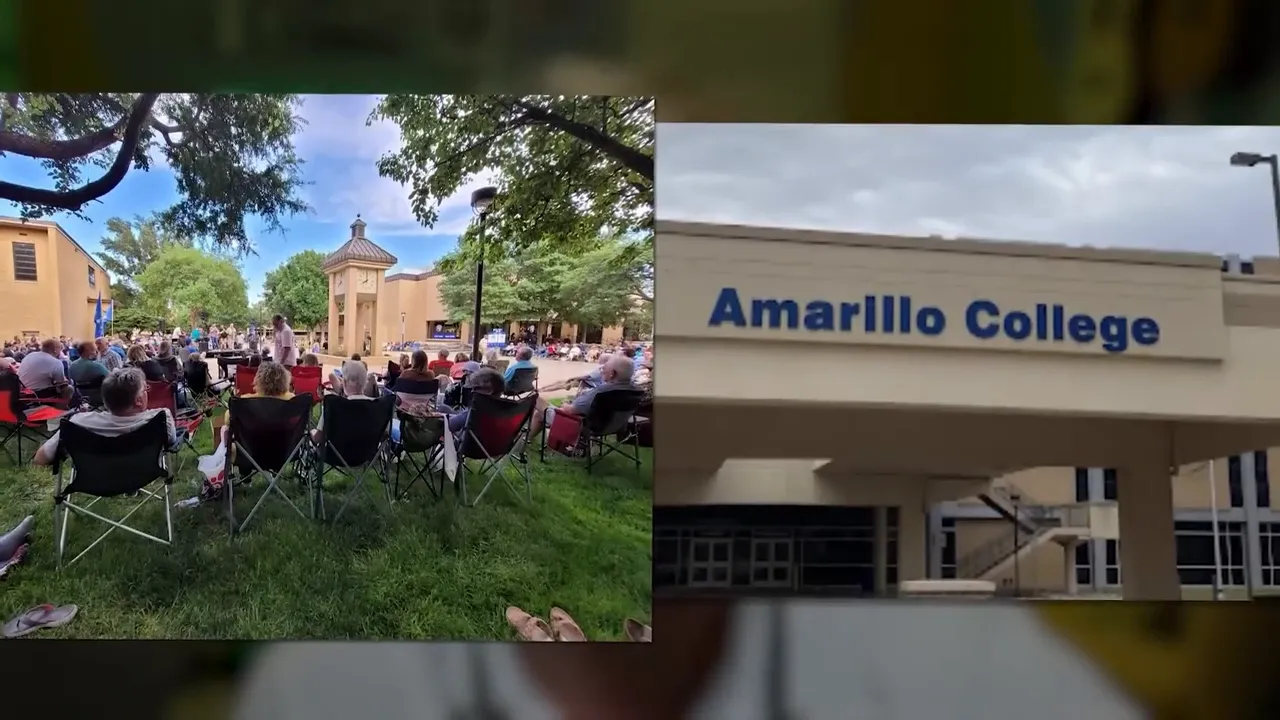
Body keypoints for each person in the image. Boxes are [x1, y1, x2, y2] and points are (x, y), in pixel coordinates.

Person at [33, 368, 178, 467]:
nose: (147, 391)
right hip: (144, 474)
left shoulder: (78, 423)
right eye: (145, 389)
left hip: (94, 480)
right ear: (138, 400)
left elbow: (41, 458)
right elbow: (171, 442)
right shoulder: (161, 418)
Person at [528, 355, 634, 439]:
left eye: (603, 369)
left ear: (612, 374)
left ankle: (522, 438)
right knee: (541, 413)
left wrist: (565, 404)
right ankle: (526, 438)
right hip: (611, 427)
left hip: (579, 426)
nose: (601, 371)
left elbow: (569, 411)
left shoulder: (602, 392)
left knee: (535, 399)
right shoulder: (633, 391)